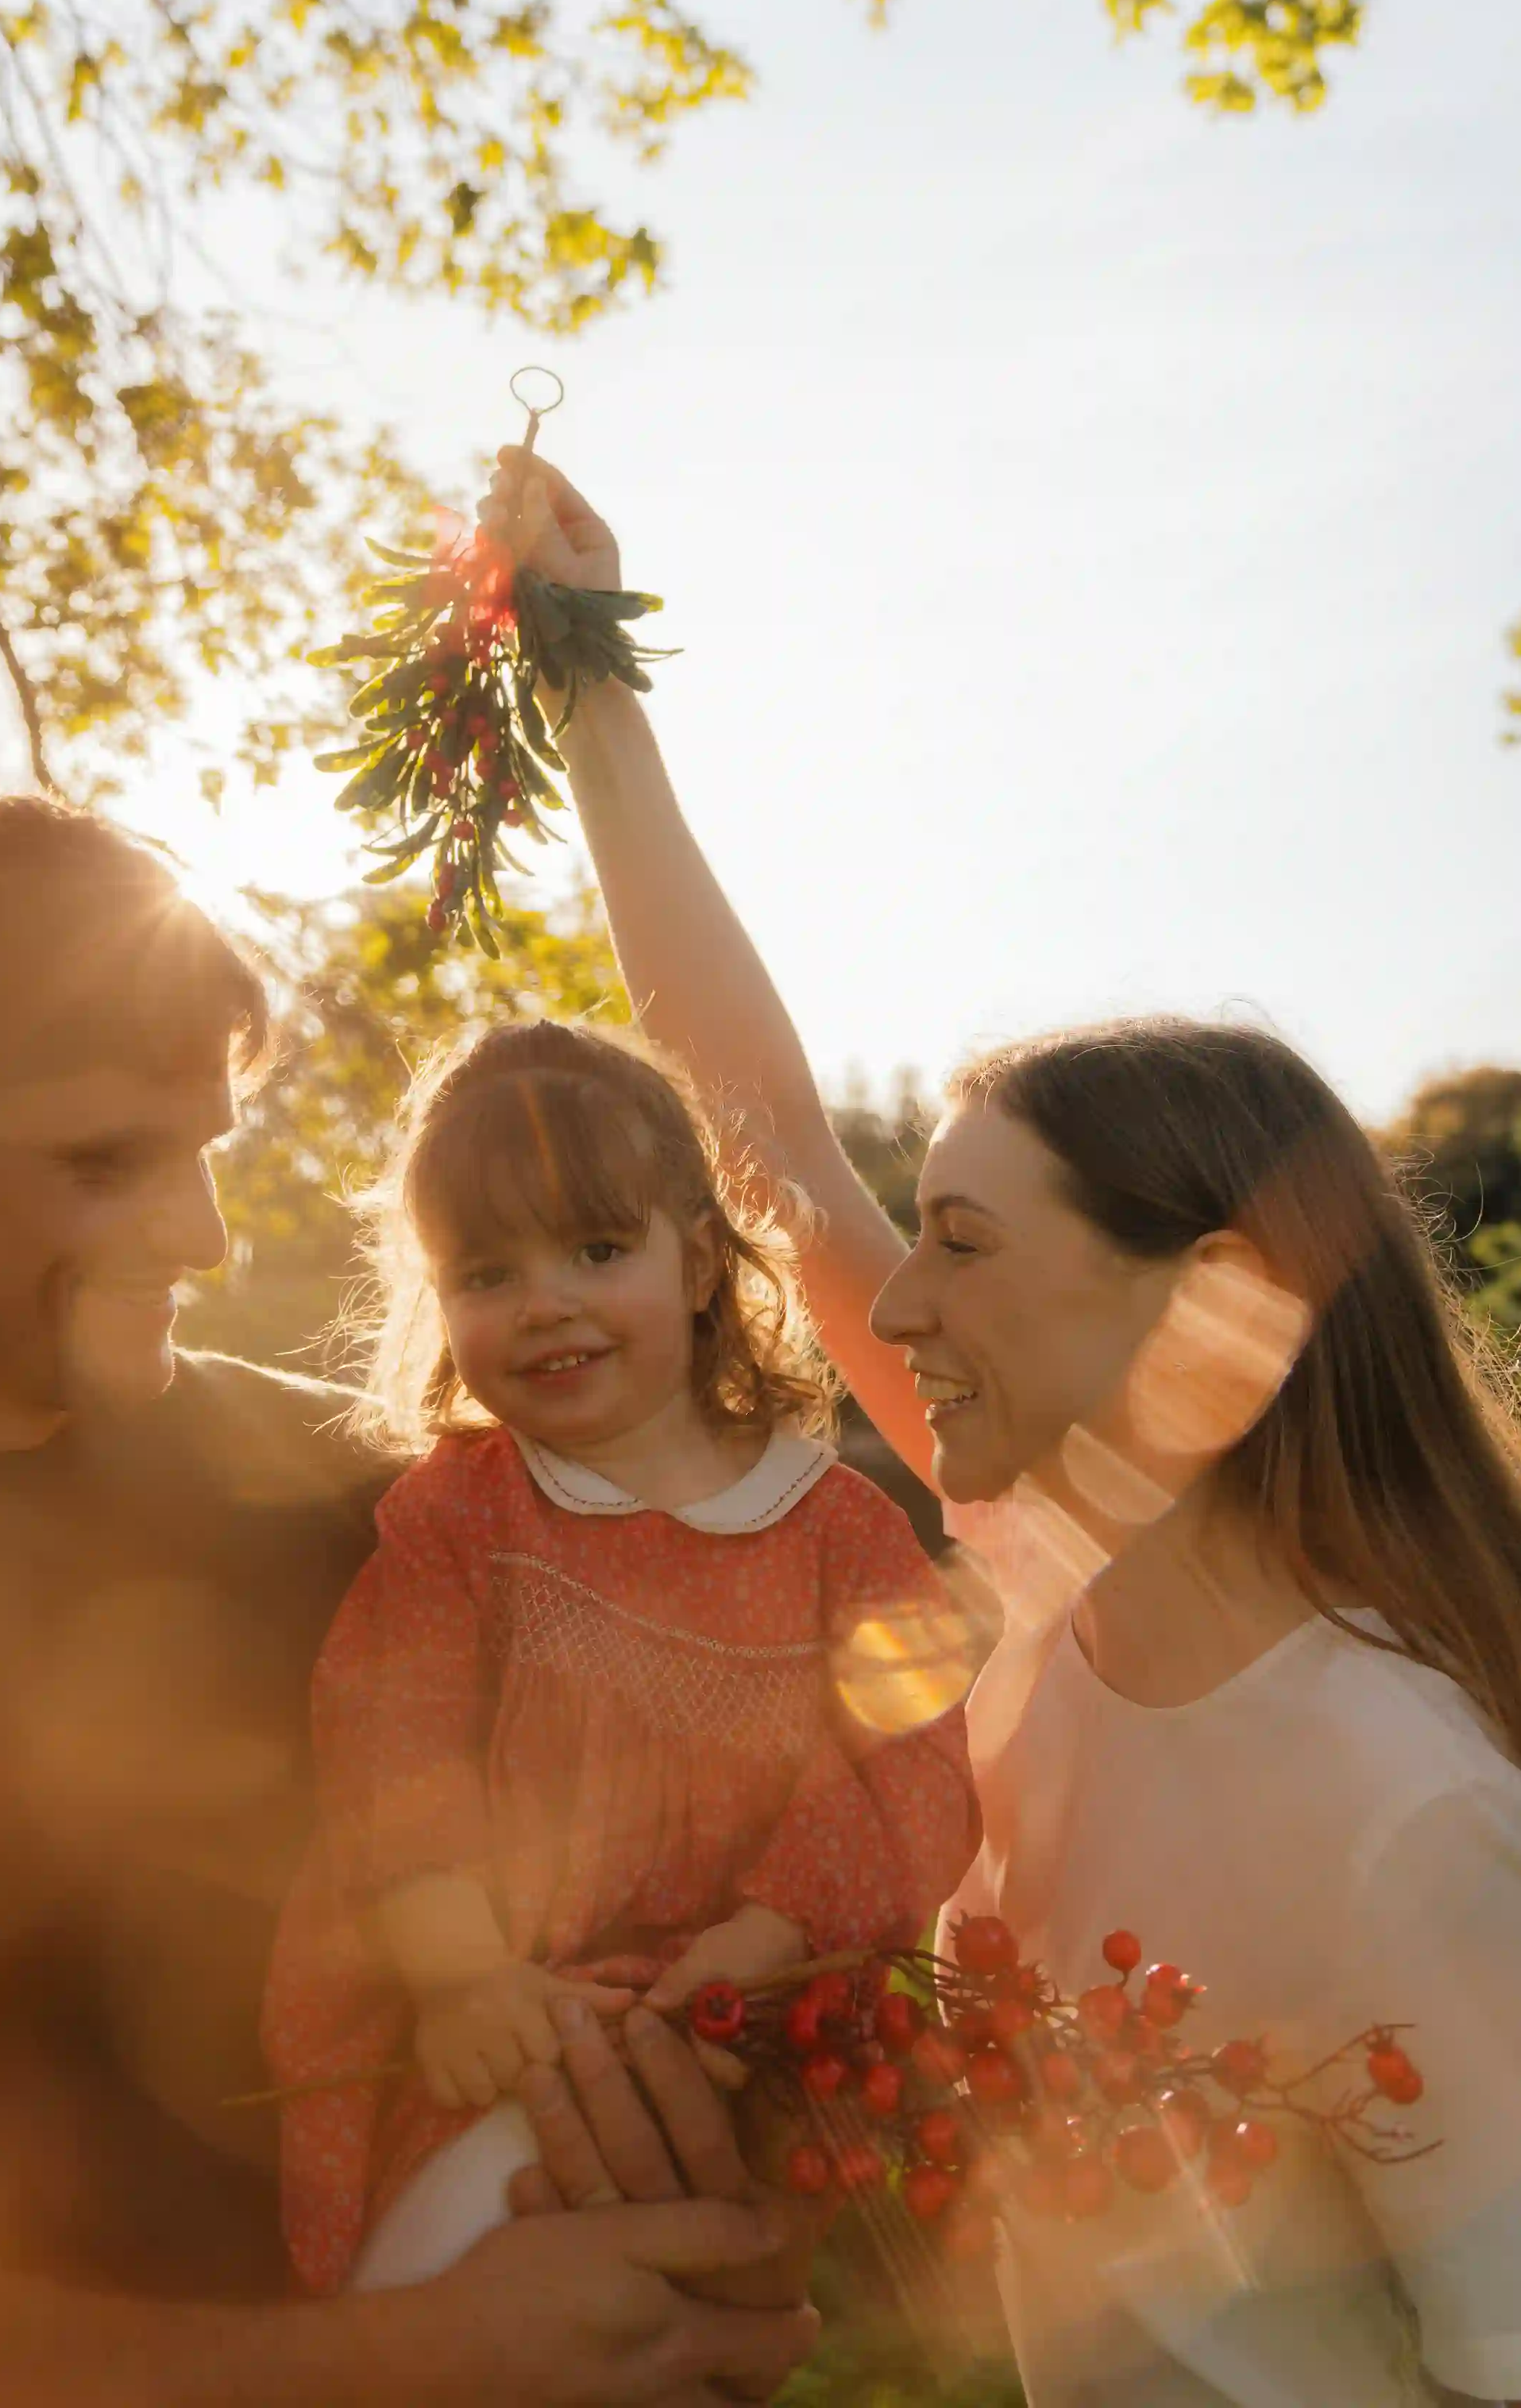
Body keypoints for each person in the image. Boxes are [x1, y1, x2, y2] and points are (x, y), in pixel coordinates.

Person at [475, 444, 1521, 2408]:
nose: (900, 1306)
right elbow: (765, 1142)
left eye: (959, 1242)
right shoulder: (1049, 1578)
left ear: (1201, 1295)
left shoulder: (1411, 1810)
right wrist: (581, 666)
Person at [0, 795, 820, 2408]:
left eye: (202, 1153)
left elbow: (677, 1885)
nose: (200, 1234)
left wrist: (681, 2102)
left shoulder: (388, 1510)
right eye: (107, 1160)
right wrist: (407, 2359)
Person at [262, 1018, 976, 2293]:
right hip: (509, 2023)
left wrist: (770, 1938)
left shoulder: (836, 1534)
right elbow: (391, 1752)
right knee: (459, 2274)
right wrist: (465, 1977)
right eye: (486, 1275)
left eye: (596, 1250)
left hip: (745, 2028)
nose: (544, 1305)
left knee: (680, 2317)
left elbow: (915, 1773)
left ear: (700, 1262)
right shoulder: (464, 1513)